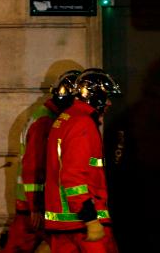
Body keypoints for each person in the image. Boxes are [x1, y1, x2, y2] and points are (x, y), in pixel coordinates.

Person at [2, 70, 81, 253]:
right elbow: (34, 164)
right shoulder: (46, 121)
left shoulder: (44, 116)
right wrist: (35, 205)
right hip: (37, 205)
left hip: (35, 204)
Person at [44, 68, 121, 253]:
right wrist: (90, 218)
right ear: (95, 96)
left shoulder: (65, 119)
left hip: (64, 224)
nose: (109, 102)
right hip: (82, 224)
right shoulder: (83, 123)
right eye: (106, 96)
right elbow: (73, 176)